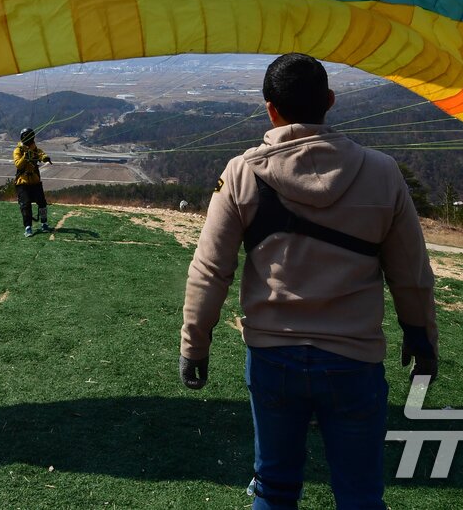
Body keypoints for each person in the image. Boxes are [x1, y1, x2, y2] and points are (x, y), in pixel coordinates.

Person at [179, 53, 438, 510]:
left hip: (273, 357)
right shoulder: (382, 172)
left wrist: (194, 345)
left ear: (270, 109)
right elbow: (411, 274)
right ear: (330, 101)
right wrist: (421, 337)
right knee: (359, 495)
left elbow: (210, 270)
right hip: (354, 359)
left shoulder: (243, 172)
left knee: (275, 488)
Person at [13, 127, 52, 236]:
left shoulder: (36, 150)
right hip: (23, 183)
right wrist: (25, 157)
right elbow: (18, 164)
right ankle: (28, 227)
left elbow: (41, 154)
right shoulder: (18, 150)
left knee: (42, 203)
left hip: (35, 181)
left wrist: (45, 158)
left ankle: (44, 223)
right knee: (25, 205)